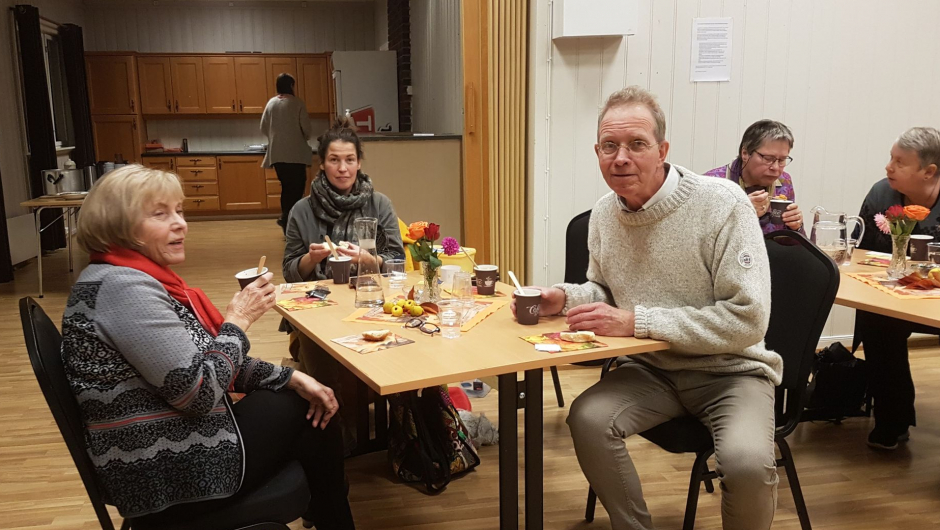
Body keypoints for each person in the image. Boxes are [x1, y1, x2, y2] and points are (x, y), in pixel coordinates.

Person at [514, 86, 781, 530]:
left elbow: (748, 319)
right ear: (597, 152)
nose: (621, 158)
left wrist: (636, 322)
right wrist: (564, 298)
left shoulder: (724, 204)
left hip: (732, 372)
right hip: (653, 370)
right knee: (587, 418)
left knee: (747, 464)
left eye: (637, 144)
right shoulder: (604, 214)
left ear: (662, 150)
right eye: (609, 146)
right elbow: (606, 291)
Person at [62, 166, 355, 529]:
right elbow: (197, 392)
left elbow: (204, 356)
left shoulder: (127, 278)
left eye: (180, 210)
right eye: (160, 213)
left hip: (164, 455)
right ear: (117, 225)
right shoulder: (125, 290)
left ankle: (328, 513)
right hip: (167, 475)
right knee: (309, 416)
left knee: (308, 409)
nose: (181, 223)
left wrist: (291, 377)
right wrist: (238, 321)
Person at [282, 118, 405, 450]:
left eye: (349, 159)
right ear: (322, 164)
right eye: (334, 160)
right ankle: (337, 440)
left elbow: (398, 263)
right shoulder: (302, 210)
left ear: (359, 162)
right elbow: (289, 273)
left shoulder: (378, 204)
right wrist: (311, 258)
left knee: (405, 350)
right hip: (318, 310)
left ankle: (402, 432)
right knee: (325, 358)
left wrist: (367, 260)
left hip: (371, 303)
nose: (342, 168)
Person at [854, 126, 940, 450]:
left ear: (929, 172)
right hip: (897, 299)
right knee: (876, 321)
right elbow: (860, 253)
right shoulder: (881, 194)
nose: (888, 167)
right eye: (891, 158)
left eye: (900, 162)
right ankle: (893, 420)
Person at [704, 119, 805, 233]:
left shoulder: (784, 181)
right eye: (768, 158)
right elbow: (697, 240)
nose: (776, 168)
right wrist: (741, 213)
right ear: (745, 154)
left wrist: (796, 227)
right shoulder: (713, 183)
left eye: (782, 160)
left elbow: (792, 245)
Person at [261, 73, 314, 233]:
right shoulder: (297, 103)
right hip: (295, 155)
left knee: (286, 188)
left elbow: (263, 127)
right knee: (297, 189)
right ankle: (290, 222)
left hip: (277, 155)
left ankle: (286, 220)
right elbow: (307, 130)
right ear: (291, 86)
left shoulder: (271, 104)